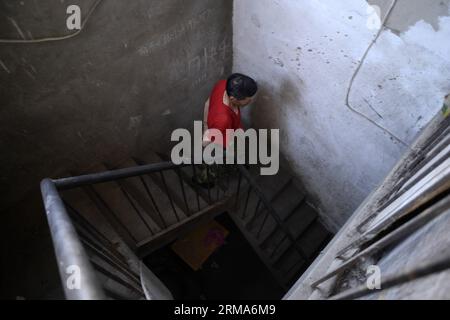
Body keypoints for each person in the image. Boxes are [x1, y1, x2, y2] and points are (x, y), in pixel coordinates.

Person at [194, 74, 258, 188]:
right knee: (216, 163)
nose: (251, 100)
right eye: (248, 98)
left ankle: (234, 163)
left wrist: (205, 125)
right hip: (222, 142)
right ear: (233, 99)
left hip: (230, 133)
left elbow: (207, 103)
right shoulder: (223, 119)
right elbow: (207, 142)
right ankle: (204, 180)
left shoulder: (224, 84)